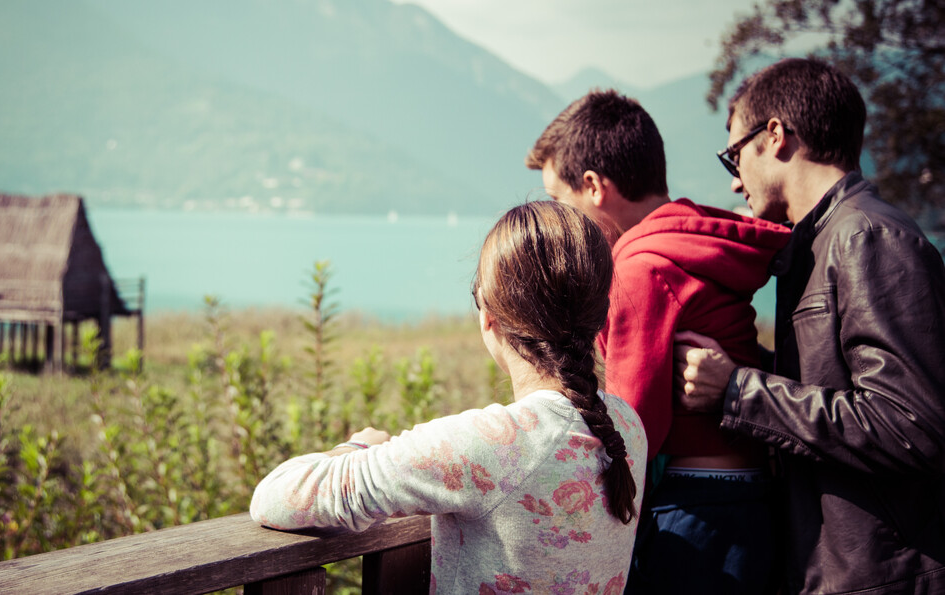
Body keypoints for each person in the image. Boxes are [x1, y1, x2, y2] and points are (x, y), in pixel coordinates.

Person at [250, 201, 647, 594]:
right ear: (598, 317)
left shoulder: (486, 444)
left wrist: (354, 447)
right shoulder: (627, 426)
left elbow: (274, 497)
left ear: (489, 313)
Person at [674, 58, 945, 595]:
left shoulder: (868, 237)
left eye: (734, 157)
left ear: (775, 136)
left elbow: (911, 427)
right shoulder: (814, 244)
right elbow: (839, 391)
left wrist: (737, 390)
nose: (734, 185)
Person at [525, 90, 791, 594]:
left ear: (593, 186)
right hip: (746, 498)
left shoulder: (640, 268)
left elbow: (631, 424)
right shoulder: (687, 242)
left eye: (560, 200)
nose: (561, 217)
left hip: (696, 510)